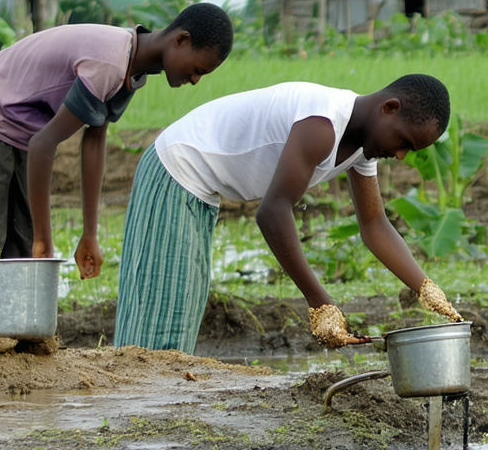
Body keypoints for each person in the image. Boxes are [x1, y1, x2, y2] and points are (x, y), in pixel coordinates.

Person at [113, 74, 463, 354]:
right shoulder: (322, 124)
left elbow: (374, 225)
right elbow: (272, 212)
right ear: (389, 108)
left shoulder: (362, 149)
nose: (400, 155)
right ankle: (132, 412)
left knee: (180, 310)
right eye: (403, 142)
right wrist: (320, 303)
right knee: (161, 305)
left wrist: (429, 292)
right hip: (177, 170)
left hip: (201, 190)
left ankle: (145, 405)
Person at [0, 2, 234, 279]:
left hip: (20, 126)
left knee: (19, 246)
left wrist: (89, 234)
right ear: (181, 40)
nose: (196, 80)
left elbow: (94, 142)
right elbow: (43, 144)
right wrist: (45, 239)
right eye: (198, 70)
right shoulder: (110, 61)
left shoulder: (134, 66)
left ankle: (2, 332)